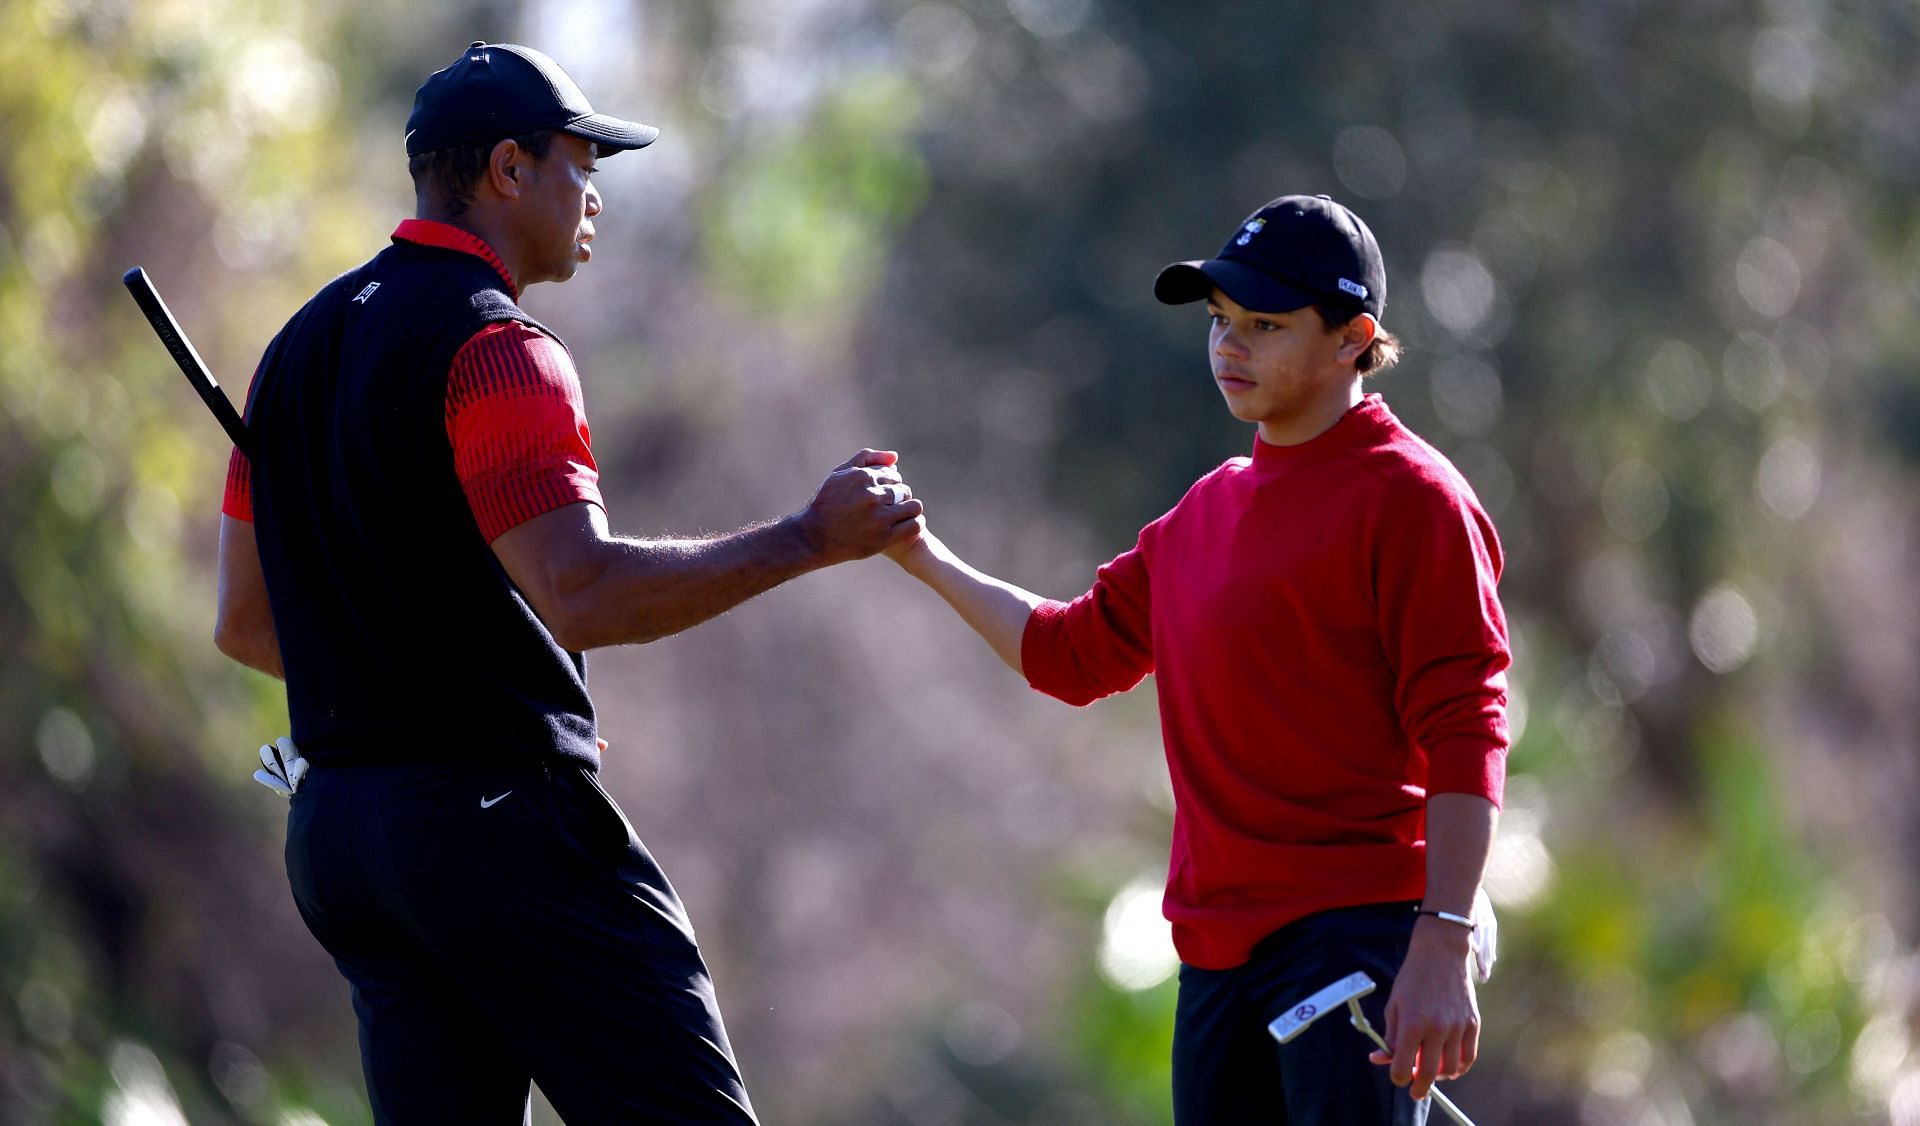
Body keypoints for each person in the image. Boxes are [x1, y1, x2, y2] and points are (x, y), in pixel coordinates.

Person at [212, 42, 921, 1124]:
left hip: (341, 837)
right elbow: (580, 590)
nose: (593, 196)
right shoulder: (500, 349)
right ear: (508, 168)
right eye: (580, 163)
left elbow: (248, 625)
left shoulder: (290, 353)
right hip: (491, 825)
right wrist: (809, 536)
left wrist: (413, 678)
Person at [884, 195, 1510, 1124]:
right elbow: (1067, 653)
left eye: (1266, 324)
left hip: (1354, 938)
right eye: (1221, 322)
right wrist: (918, 552)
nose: (1229, 346)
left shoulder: (1413, 500)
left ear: (1354, 338)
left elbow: (1467, 730)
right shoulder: (1203, 515)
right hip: (1217, 959)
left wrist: (1445, 940)